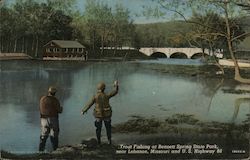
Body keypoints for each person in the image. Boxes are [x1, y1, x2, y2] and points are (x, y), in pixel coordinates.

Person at [81, 80, 119, 145]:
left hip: (98, 115)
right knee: (108, 128)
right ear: (104, 88)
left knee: (98, 129)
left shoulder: (95, 96)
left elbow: (89, 104)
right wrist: (116, 85)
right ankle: (109, 141)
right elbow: (115, 92)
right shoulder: (106, 95)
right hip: (107, 115)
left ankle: (99, 142)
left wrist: (83, 110)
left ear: (98, 88)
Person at [39, 86, 63, 151]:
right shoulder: (55, 100)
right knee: (54, 135)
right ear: (54, 93)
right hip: (53, 119)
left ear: (48, 92)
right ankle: (55, 150)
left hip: (43, 119)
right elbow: (59, 110)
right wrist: (61, 108)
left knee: (43, 135)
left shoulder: (42, 98)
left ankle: (40, 151)